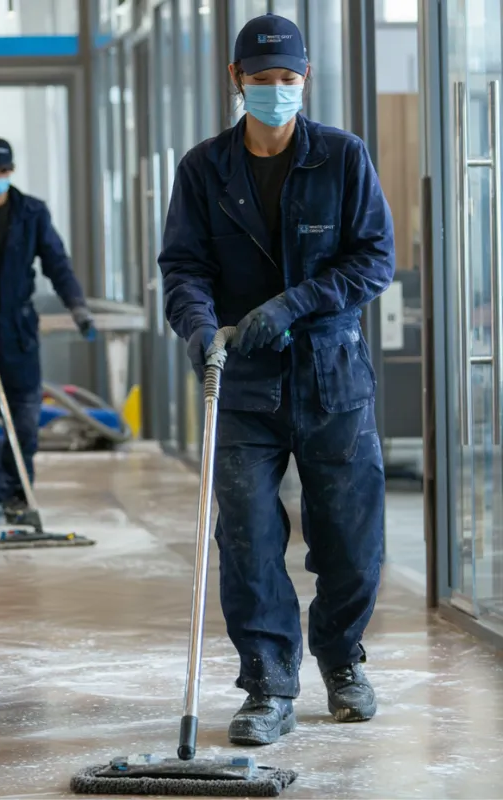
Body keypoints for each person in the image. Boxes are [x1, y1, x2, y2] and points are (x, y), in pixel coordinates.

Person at [159, 14, 395, 745]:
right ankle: (267, 685)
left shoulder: (343, 159)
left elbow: (373, 260)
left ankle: (341, 657)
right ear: (236, 81)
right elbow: (183, 269)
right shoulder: (204, 169)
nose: (275, 92)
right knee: (249, 540)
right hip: (240, 383)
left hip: (331, 377)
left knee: (351, 539)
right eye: (261, 81)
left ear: (305, 81)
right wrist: (200, 330)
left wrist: (294, 304)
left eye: (287, 81)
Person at [0, 136, 96, 535]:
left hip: (20, 328)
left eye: (4, 172)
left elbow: (56, 262)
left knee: (24, 417)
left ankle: (16, 494)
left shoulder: (31, 212)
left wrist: (77, 305)